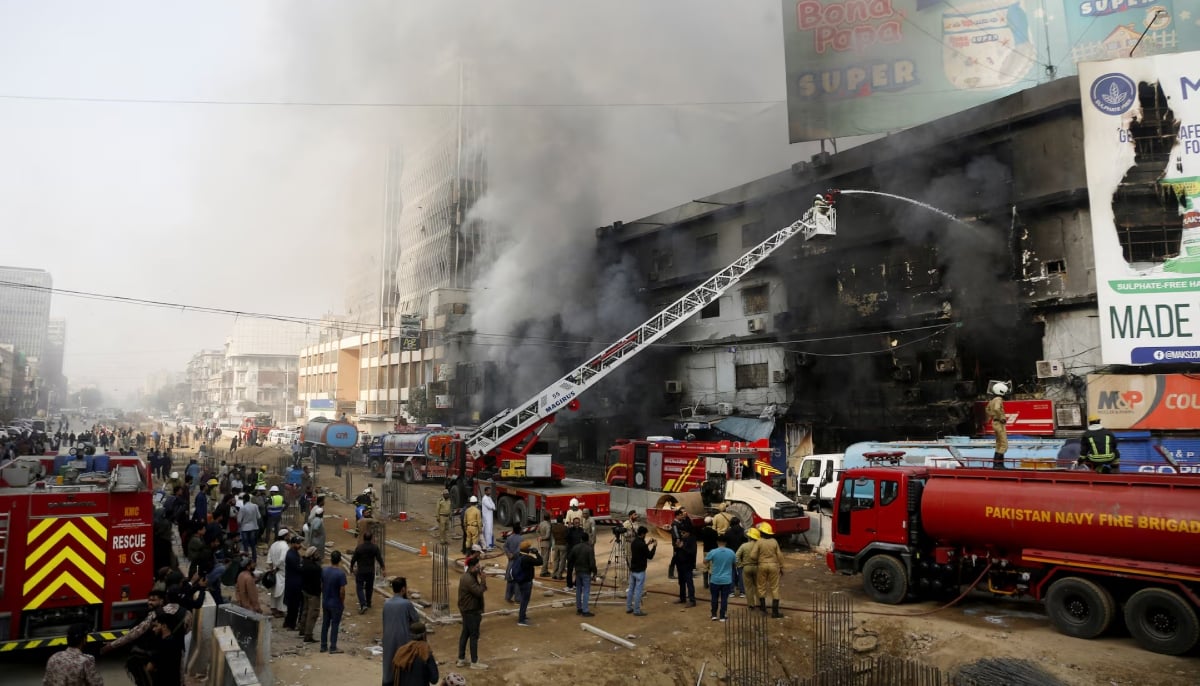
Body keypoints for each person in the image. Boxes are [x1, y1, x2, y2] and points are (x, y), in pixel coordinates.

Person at [381, 577, 420, 686]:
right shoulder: (406, 604)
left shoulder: (386, 604)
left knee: (388, 666)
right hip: (403, 640)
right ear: (403, 589)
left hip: (388, 639)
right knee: (403, 666)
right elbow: (416, 620)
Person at [456, 554, 488, 671]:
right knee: (474, 635)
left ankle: (461, 658)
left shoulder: (468, 575)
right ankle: (474, 661)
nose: (479, 569)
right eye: (477, 567)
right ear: (472, 567)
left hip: (467, 609)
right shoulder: (468, 579)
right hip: (471, 610)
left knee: (465, 633)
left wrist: (480, 572)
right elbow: (479, 591)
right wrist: (483, 580)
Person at [391, 621, 439, 686]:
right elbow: (434, 679)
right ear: (424, 635)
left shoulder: (401, 651)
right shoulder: (425, 653)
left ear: (410, 635)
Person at [351, 531, 386, 614]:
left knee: (359, 587)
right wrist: (383, 569)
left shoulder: (359, 548)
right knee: (369, 587)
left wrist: (351, 567)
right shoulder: (374, 548)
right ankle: (369, 603)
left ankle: (363, 604)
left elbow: (353, 559)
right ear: (371, 539)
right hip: (370, 571)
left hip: (361, 571)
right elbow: (379, 559)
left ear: (363, 538)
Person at [755, 522, 785, 618]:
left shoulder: (759, 542)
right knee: (774, 588)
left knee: (761, 587)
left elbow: (752, 555)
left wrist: (758, 559)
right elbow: (779, 555)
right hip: (773, 566)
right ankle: (775, 612)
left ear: (762, 532)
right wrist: (781, 566)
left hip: (762, 565)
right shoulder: (774, 541)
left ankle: (763, 610)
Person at [320, 550, 348, 653]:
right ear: (340, 560)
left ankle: (323, 646)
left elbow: (322, 586)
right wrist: (342, 602)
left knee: (325, 624)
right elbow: (342, 591)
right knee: (335, 625)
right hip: (336, 603)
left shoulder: (324, 571)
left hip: (326, 601)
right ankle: (333, 647)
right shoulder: (341, 574)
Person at [705, 534, 737, 621]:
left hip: (715, 579)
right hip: (726, 580)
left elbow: (705, 561)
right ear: (726, 542)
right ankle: (722, 616)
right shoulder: (731, 552)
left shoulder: (713, 552)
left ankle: (714, 615)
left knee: (714, 598)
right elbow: (735, 563)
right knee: (724, 599)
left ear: (717, 542)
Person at [626, 525, 656, 616]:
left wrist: (647, 544)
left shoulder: (634, 542)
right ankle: (637, 610)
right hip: (640, 571)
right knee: (638, 591)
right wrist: (654, 547)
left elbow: (641, 549)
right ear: (642, 534)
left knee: (631, 589)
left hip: (633, 570)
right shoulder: (642, 545)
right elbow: (650, 556)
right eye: (645, 534)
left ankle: (628, 607)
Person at [512, 539, 543, 626]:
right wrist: (537, 553)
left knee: (523, 599)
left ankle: (523, 616)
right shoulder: (528, 558)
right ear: (527, 549)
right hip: (526, 581)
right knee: (525, 600)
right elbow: (540, 562)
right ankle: (521, 619)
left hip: (521, 580)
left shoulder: (519, 555)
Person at [673, 509, 697, 607]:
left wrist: (682, 546)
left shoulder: (691, 541)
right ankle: (682, 597)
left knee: (689, 582)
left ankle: (692, 600)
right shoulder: (682, 539)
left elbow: (691, 552)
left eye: (683, 532)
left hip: (687, 564)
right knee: (681, 581)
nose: (682, 534)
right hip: (680, 562)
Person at [569, 531, 597, 617]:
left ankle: (579, 608)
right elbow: (592, 563)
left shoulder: (575, 547)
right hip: (586, 572)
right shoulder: (589, 549)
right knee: (586, 591)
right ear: (588, 539)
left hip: (578, 571)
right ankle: (585, 610)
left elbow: (570, 559)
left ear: (581, 539)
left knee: (578, 590)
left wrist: (573, 569)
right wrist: (594, 572)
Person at [299, 546, 323, 643]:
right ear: (312, 555)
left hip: (305, 590)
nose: (318, 555)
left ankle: (302, 629)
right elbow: (319, 582)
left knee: (305, 611)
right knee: (312, 614)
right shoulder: (316, 568)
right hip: (314, 593)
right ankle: (308, 635)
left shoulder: (304, 563)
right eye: (316, 554)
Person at [267, 528, 291, 618]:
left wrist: (272, 568)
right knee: (281, 592)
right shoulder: (284, 546)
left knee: (274, 591)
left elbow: (269, 558)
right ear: (285, 536)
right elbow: (282, 559)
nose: (289, 537)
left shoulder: (273, 545)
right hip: (281, 571)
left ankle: (273, 608)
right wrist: (276, 567)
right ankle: (279, 610)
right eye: (288, 535)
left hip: (274, 571)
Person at [283, 536, 304, 629]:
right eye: (297, 543)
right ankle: (291, 624)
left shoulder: (294, 553)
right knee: (294, 605)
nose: (299, 545)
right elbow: (298, 568)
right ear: (292, 544)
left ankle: (288, 622)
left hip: (294, 581)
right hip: (293, 583)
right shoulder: (291, 555)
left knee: (292, 605)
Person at [986, 382, 1009, 469]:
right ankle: (998, 465)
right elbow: (996, 408)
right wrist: (1001, 417)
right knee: (1004, 444)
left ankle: (997, 464)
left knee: (999, 444)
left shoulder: (993, 399)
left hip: (995, 422)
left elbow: (987, 409)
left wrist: (993, 416)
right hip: (999, 423)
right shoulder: (999, 399)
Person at [503, 523, 524, 603]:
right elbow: (519, 550)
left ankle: (508, 597)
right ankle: (517, 598)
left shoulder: (509, 538)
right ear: (519, 530)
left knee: (510, 579)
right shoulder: (521, 539)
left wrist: (509, 554)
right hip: (517, 561)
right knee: (517, 580)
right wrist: (513, 555)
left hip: (511, 561)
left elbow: (505, 547)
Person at [236, 493, 261, 563]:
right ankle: (254, 559)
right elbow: (259, 516)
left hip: (245, 529)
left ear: (244, 500)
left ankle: (247, 560)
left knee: (245, 545)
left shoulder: (243, 508)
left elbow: (238, 520)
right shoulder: (255, 506)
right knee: (253, 545)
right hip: (254, 528)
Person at [698, 516, 718, 589]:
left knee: (705, 566)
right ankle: (711, 583)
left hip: (706, 550)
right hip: (713, 550)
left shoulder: (702, 531)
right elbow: (717, 539)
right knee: (712, 567)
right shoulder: (714, 532)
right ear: (711, 523)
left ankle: (705, 584)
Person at [550, 514, 568, 580]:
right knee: (562, 561)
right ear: (562, 520)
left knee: (556, 560)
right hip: (563, 545)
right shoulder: (565, 528)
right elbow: (567, 536)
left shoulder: (553, 527)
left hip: (556, 545)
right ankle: (559, 574)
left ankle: (554, 574)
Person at [536, 512, 553, 577]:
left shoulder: (541, 523)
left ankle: (545, 570)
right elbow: (548, 536)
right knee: (546, 558)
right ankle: (543, 572)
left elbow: (537, 531)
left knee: (543, 557)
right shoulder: (548, 525)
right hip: (546, 543)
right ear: (549, 518)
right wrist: (542, 538)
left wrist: (539, 537)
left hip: (542, 543)